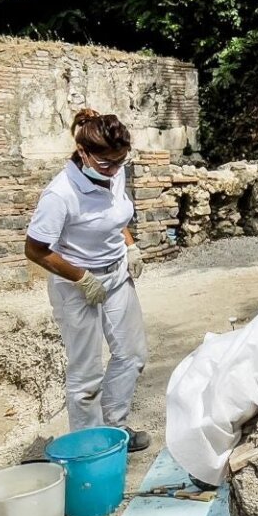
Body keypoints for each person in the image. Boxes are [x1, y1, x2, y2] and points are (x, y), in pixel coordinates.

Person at [23, 108, 152, 451]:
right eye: (107, 163)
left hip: (117, 274)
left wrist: (130, 245)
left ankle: (115, 430)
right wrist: (82, 279)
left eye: (121, 161)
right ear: (83, 153)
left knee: (131, 355)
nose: (115, 169)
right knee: (86, 375)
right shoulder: (60, 194)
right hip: (76, 285)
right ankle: (92, 447)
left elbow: (114, 210)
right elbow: (35, 250)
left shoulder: (114, 170)